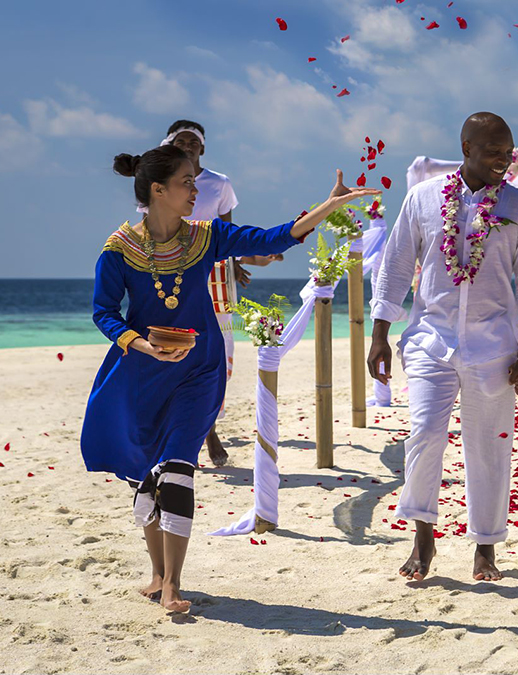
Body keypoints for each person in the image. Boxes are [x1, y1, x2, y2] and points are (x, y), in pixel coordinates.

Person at [81, 145, 379, 612]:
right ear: (157, 189)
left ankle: (173, 584)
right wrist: (142, 345)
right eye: (186, 182)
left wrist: (327, 206)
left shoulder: (207, 236)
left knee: (178, 466)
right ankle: (157, 574)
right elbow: (104, 312)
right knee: (146, 472)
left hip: (199, 371)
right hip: (142, 373)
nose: (195, 191)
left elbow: (272, 238)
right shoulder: (119, 249)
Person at [367, 112, 518, 582]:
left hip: (495, 346)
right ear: (466, 148)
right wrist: (379, 334)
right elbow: (396, 265)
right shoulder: (423, 198)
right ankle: (423, 536)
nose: (503, 161)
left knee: (489, 446)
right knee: (425, 434)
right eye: (493, 152)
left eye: (508, 153)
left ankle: (485, 547)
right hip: (431, 339)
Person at [146, 119, 282, 467]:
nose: (189, 146)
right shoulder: (158, 181)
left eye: (194, 141)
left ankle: (207, 422)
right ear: (170, 145)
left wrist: (235, 262)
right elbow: (149, 229)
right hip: (173, 270)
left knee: (220, 349)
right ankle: (203, 430)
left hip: (215, 271)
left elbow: (227, 230)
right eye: (182, 140)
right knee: (177, 344)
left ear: (203, 148)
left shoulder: (219, 183)